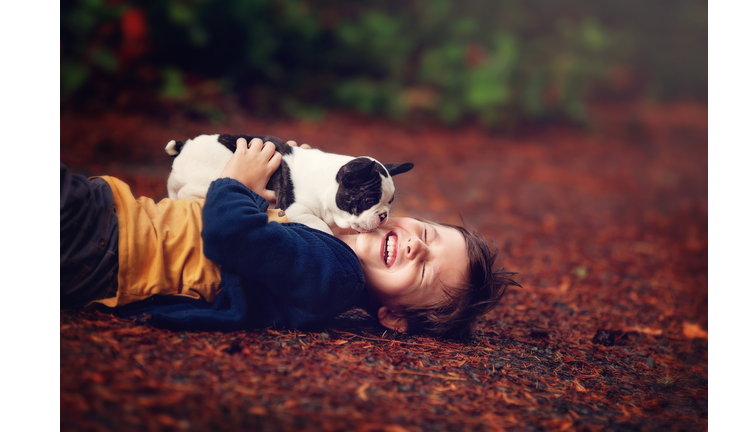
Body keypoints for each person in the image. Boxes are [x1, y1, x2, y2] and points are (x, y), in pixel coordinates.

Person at [61, 138, 519, 338]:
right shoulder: (323, 241)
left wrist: (237, 182)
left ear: (393, 316)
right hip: (116, 230)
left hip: (113, 242)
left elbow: (230, 235)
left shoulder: (334, 274)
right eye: (426, 233)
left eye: (425, 269)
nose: (418, 246)